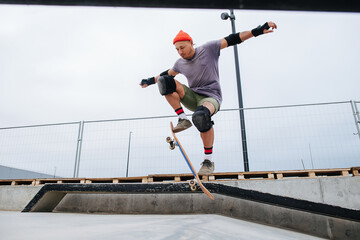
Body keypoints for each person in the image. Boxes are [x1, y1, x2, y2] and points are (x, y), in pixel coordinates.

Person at [140, 21, 277, 175]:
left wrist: (257, 31)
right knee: (164, 81)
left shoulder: (208, 49)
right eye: (177, 49)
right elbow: (166, 74)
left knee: (200, 117)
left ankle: (208, 160)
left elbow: (233, 38)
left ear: (191, 43)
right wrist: (150, 80)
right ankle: (183, 119)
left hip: (212, 98)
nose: (180, 52)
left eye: (182, 47)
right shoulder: (180, 63)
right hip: (192, 97)